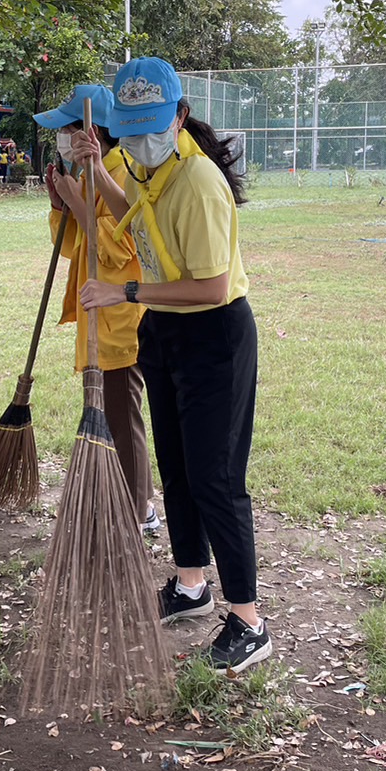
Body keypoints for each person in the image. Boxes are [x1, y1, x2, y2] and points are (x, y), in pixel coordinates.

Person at [74, 56, 269, 673]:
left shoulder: (200, 184)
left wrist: (124, 294)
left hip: (215, 337)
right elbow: (126, 205)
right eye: (126, 130)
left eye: (150, 127)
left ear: (180, 116)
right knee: (178, 469)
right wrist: (93, 166)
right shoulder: (142, 166)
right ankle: (190, 585)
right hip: (166, 334)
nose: (137, 141)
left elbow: (211, 288)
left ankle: (248, 620)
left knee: (215, 478)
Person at [37, 83, 159, 535]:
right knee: (106, 413)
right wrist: (60, 203)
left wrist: (77, 200)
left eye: (68, 129)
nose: (62, 139)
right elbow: (75, 246)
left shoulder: (121, 173)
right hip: (96, 313)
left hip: (123, 320)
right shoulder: (88, 174)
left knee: (122, 418)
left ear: (94, 132)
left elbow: (124, 248)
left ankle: (139, 509)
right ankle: (118, 500)